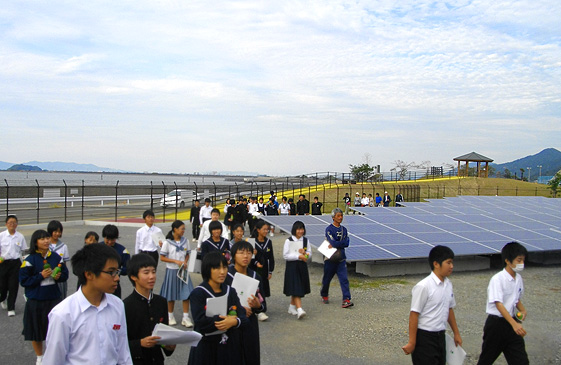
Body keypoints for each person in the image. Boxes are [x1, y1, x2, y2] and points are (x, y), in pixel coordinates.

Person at [43, 243, 132, 364]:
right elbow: (53, 360)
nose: (117, 278)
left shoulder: (117, 305)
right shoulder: (63, 314)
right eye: (111, 272)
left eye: (117, 271)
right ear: (89, 274)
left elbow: (123, 352)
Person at [401, 245, 462, 364]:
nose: (451, 266)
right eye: (448, 263)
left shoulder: (448, 285)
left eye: (452, 263)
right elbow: (414, 314)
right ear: (436, 264)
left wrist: (456, 333)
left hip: (441, 337)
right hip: (425, 339)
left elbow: (449, 309)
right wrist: (412, 342)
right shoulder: (424, 286)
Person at [187, 251, 248, 365]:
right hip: (206, 348)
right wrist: (226, 321)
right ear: (207, 269)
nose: (222, 272)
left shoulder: (230, 291)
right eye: (216, 268)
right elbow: (200, 322)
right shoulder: (198, 293)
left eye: (224, 267)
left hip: (228, 348)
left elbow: (243, 317)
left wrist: (235, 321)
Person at [20, 229, 69, 365]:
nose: (46, 241)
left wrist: (59, 276)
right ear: (35, 242)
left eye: (47, 238)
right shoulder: (29, 260)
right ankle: (40, 357)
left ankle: (53, 354)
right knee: (36, 330)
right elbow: (24, 281)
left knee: (55, 330)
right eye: (42, 239)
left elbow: (65, 275)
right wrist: (40, 276)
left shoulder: (55, 257)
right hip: (36, 300)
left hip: (53, 298)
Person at [476, 242, 529, 365]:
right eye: (519, 260)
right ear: (507, 261)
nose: (521, 264)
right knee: (486, 359)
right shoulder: (498, 279)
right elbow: (498, 304)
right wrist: (514, 324)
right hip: (496, 325)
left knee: (521, 360)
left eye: (523, 260)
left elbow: (516, 299)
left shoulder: (518, 279)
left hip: (511, 323)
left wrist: (522, 310)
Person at [124, 254, 175, 365]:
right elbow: (118, 343)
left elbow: (164, 336)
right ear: (133, 276)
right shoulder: (125, 305)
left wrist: (169, 347)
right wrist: (139, 343)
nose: (152, 276)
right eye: (146, 273)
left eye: (153, 272)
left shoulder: (161, 302)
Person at [225, 241, 266, 365]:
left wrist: (258, 306)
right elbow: (221, 301)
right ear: (233, 255)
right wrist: (239, 309)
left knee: (250, 355)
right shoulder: (226, 276)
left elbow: (263, 305)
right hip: (232, 324)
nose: (246, 256)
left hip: (250, 323)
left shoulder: (255, 276)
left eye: (249, 253)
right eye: (241, 253)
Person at [159, 220, 194, 328]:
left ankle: (185, 317)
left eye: (184, 229)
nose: (183, 231)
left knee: (186, 294)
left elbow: (188, 253)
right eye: (181, 229)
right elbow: (162, 257)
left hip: (182, 271)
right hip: (172, 270)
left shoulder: (185, 241)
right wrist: (175, 261)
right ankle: (170, 316)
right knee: (171, 294)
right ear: (175, 229)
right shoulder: (167, 242)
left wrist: (185, 261)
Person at [320, 208, 353, 308]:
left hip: (341, 259)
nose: (340, 218)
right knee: (327, 279)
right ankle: (324, 294)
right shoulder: (329, 229)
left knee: (344, 279)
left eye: (341, 216)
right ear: (333, 217)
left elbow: (346, 243)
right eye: (338, 216)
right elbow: (332, 242)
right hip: (330, 259)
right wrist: (339, 244)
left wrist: (337, 244)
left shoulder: (344, 230)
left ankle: (346, 299)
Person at [0, 215, 28, 317]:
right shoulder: (1, 236)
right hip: (3, 263)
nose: (12, 224)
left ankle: (11, 307)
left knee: (13, 286)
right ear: (6, 224)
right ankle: (3, 298)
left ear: (17, 224)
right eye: (10, 223)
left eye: (14, 222)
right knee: (2, 286)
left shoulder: (20, 236)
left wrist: (26, 264)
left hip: (16, 263)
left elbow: (24, 251)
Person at [283, 221, 311, 320]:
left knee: (298, 286)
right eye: (298, 229)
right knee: (296, 287)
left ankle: (291, 307)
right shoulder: (289, 240)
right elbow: (285, 255)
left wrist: (305, 253)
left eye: (302, 229)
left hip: (302, 266)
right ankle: (299, 309)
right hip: (292, 266)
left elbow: (309, 254)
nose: (300, 231)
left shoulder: (305, 240)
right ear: (294, 230)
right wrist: (298, 256)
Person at [249, 219, 274, 321]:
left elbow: (271, 257)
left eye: (267, 230)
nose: (266, 231)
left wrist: (270, 271)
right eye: (264, 229)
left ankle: (261, 308)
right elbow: (249, 258)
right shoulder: (252, 241)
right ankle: (255, 309)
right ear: (258, 230)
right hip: (254, 269)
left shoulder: (268, 242)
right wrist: (255, 262)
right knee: (255, 288)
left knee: (263, 288)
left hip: (264, 269)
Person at [102, 224, 130, 298]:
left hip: (114, 285)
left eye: (113, 240)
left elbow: (128, 268)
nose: (110, 242)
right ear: (104, 237)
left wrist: (117, 271)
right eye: (107, 239)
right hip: (99, 285)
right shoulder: (97, 248)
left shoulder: (122, 250)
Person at [47, 220, 70, 299]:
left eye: (59, 232)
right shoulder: (45, 245)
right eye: (55, 231)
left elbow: (64, 263)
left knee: (61, 298)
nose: (57, 234)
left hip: (59, 275)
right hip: (47, 274)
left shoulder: (63, 246)